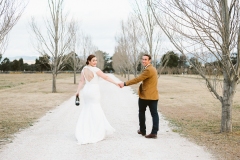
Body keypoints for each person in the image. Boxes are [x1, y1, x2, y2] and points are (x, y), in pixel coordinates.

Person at [75, 54, 119, 145]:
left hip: (86, 90)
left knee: (87, 109)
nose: (95, 62)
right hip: (94, 91)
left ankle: (85, 130)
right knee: (95, 108)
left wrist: (78, 91)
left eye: (96, 60)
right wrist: (115, 83)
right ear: (89, 61)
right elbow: (106, 77)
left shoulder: (84, 69)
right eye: (93, 60)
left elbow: (81, 81)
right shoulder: (96, 70)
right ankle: (95, 131)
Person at [119, 54, 159, 139]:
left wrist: (125, 83)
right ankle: (153, 132)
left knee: (142, 112)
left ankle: (143, 130)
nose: (143, 61)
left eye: (145, 59)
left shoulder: (148, 70)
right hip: (154, 95)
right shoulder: (153, 68)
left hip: (146, 96)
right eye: (143, 59)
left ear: (150, 60)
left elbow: (138, 79)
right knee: (154, 114)